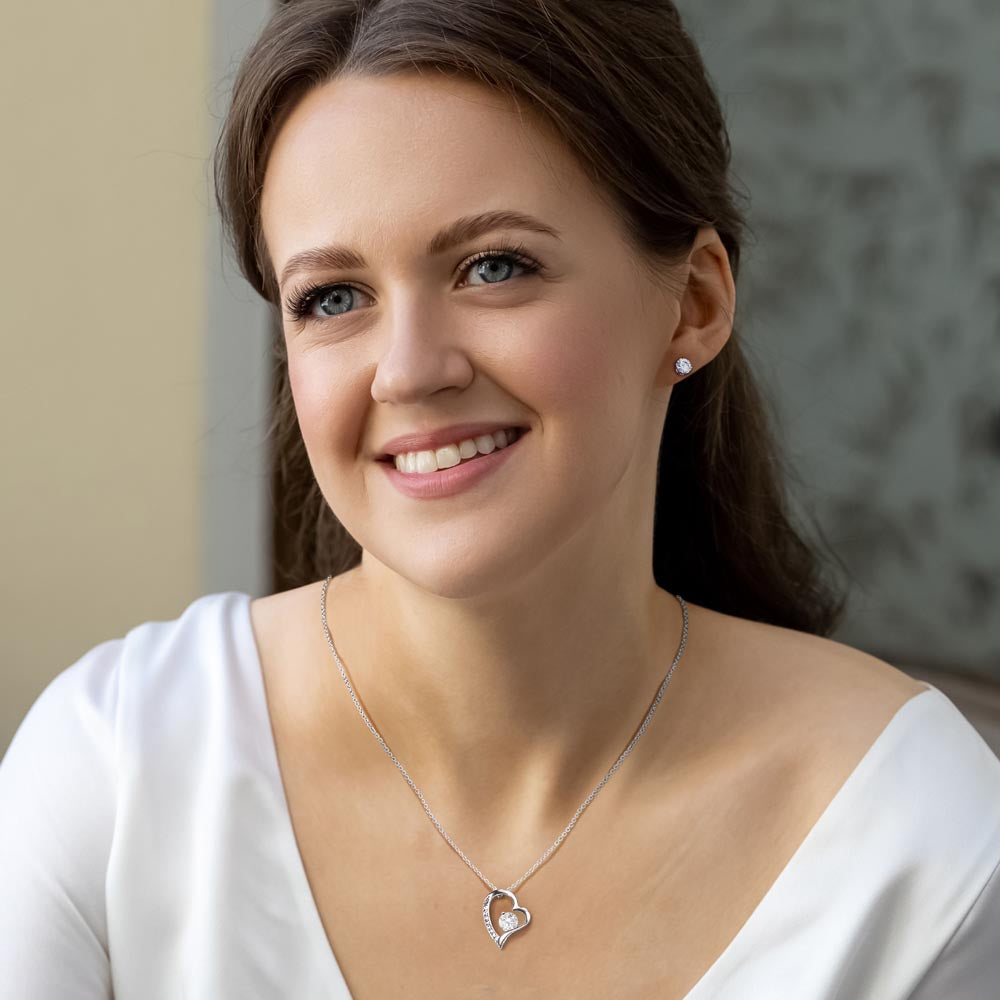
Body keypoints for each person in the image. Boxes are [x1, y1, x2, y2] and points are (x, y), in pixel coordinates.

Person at [2, 1, 999, 996]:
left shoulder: (916, 841)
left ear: (693, 299)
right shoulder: (118, 767)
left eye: (494, 266)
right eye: (333, 297)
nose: (407, 370)